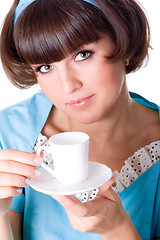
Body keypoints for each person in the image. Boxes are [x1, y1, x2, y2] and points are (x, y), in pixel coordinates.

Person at [0, 0, 160, 239]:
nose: (68, 86)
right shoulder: (10, 133)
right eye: (45, 67)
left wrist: (116, 228)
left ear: (122, 40)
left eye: (83, 55)